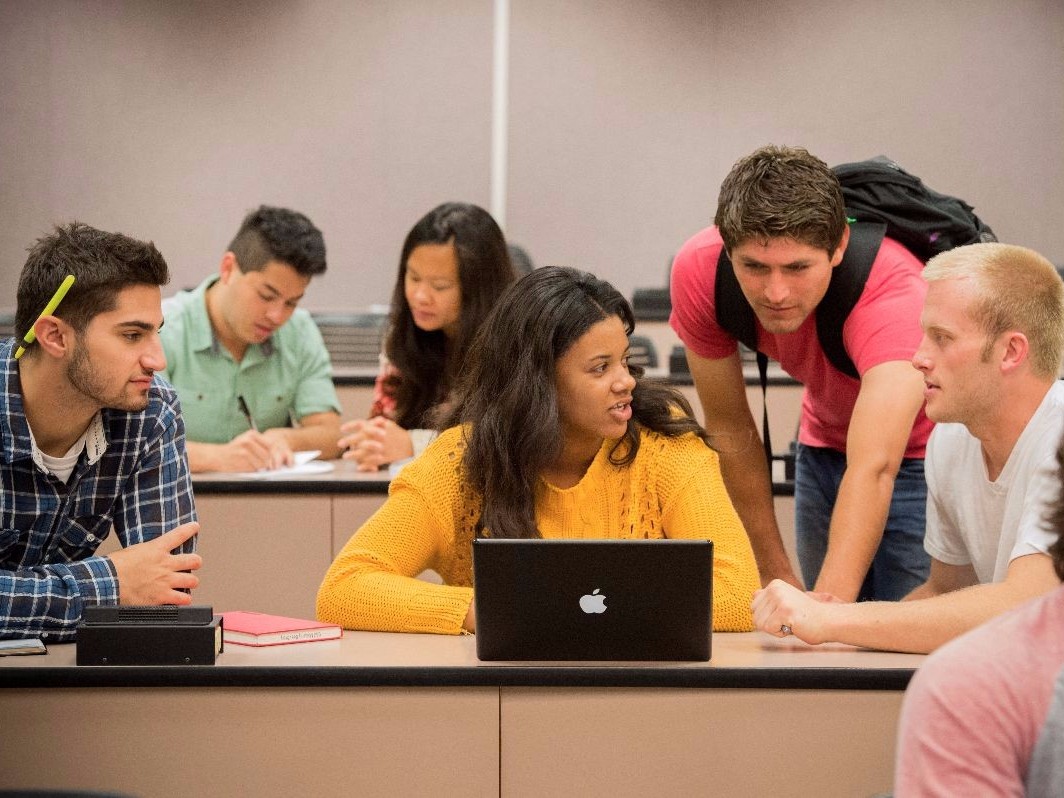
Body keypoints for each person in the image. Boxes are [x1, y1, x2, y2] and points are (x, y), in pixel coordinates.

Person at [317, 266, 760, 633]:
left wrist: (551, 610)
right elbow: (345, 587)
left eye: (624, 360)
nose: (625, 381)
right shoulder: (458, 462)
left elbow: (739, 593)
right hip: (501, 702)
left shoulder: (668, 448)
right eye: (600, 368)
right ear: (538, 383)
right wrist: (487, 611)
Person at [751, 242, 1064, 653]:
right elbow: (944, 592)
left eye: (942, 338)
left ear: (1011, 351)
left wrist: (831, 619)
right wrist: (830, 631)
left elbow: (1030, 606)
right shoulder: (952, 442)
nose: (917, 357)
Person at [670, 144, 933, 602]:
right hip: (823, 443)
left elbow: (875, 465)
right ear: (727, 247)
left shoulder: (894, 293)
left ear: (837, 248)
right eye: (753, 266)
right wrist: (774, 573)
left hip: (918, 456)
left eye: (797, 268)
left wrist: (824, 612)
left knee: (896, 639)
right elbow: (729, 425)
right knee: (812, 620)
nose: (776, 291)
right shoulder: (699, 269)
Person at [1, 222, 201, 641]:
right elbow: (131, 586)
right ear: (55, 335)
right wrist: (109, 583)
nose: (157, 360)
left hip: (58, 686)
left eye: (155, 333)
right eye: (132, 335)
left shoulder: (151, 411)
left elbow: (164, 590)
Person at [894, 432, 1064, 795]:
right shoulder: (970, 689)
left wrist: (831, 620)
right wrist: (830, 621)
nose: (919, 369)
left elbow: (1019, 599)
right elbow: (946, 587)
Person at [159, 205, 342, 473]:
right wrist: (217, 458)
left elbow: (331, 434)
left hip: (264, 505)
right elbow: (132, 447)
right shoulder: (162, 328)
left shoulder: (300, 332)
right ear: (228, 268)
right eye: (266, 296)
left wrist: (285, 438)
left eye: (291, 303)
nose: (277, 316)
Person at [338, 202, 516, 471]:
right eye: (413, 277)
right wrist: (372, 440)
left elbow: (509, 443)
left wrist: (414, 444)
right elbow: (385, 423)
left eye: (440, 286)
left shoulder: (513, 343)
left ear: (479, 289)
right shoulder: (402, 338)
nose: (420, 296)